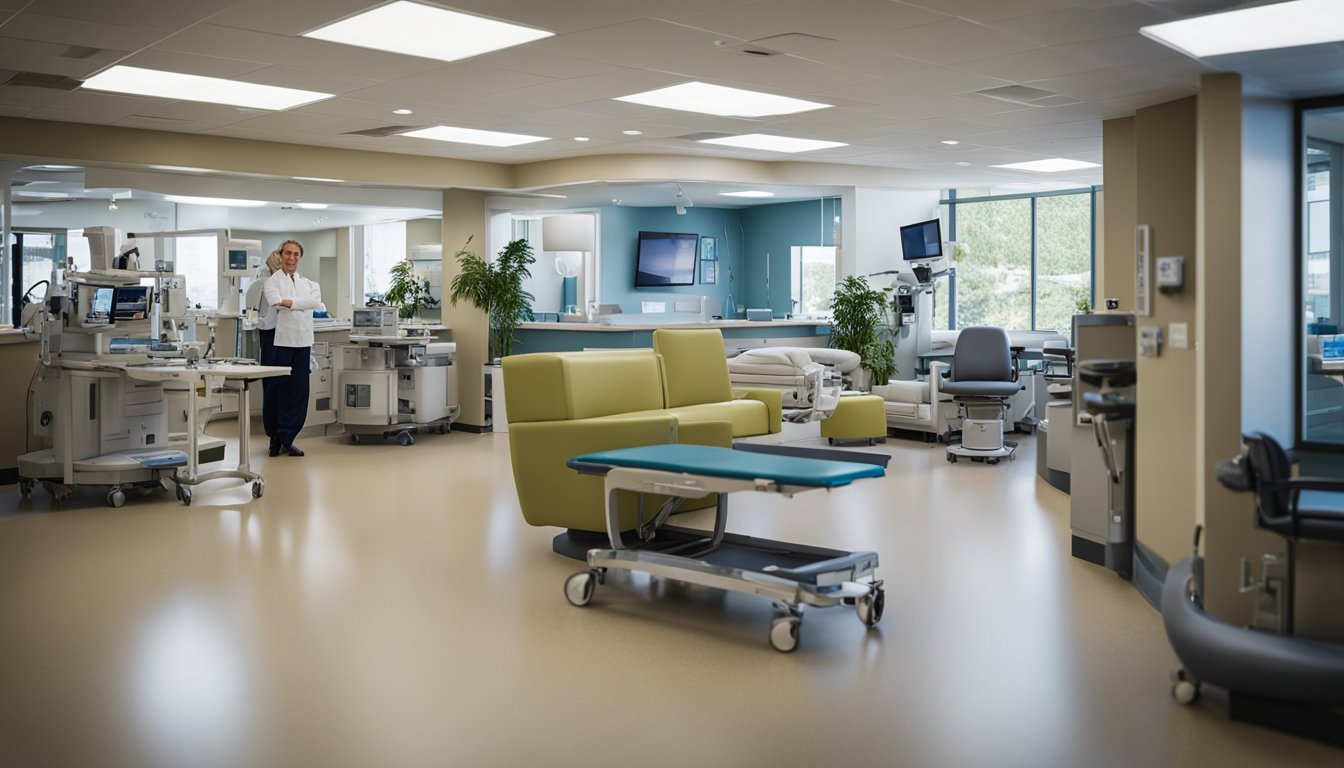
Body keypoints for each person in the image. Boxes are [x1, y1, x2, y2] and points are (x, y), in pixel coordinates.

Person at [262, 239, 324, 457]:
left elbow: (316, 303)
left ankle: (288, 438)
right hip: (280, 343)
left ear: (300, 257)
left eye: (296, 254)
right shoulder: (272, 282)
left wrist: (292, 303)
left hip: (303, 342)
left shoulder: (309, 284)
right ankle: (274, 439)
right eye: (287, 253)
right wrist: (300, 303)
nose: (291, 258)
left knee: (298, 393)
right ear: (280, 255)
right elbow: (276, 302)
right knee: (276, 392)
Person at [245, 249, 283, 442]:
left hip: (285, 336)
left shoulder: (285, 283)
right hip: (269, 335)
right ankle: (273, 432)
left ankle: (279, 431)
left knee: (280, 385)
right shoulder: (260, 284)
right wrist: (261, 324)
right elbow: (252, 315)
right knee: (272, 384)